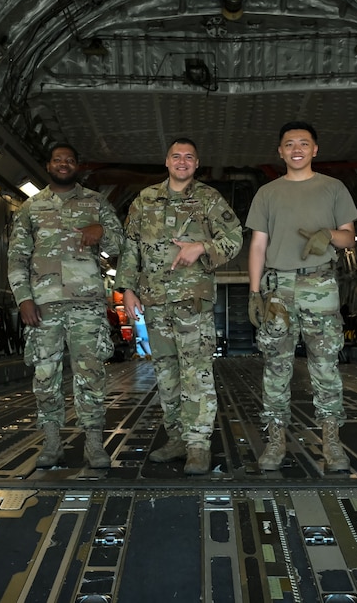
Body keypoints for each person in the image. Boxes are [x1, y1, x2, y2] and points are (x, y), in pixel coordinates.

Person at [115, 138, 243, 475]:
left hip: (192, 304)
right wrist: (126, 288)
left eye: (189, 157)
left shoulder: (208, 199)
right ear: (167, 161)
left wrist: (202, 247)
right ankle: (176, 439)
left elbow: (235, 237)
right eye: (176, 156)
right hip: (155, 303)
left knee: (196, 374)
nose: (182, 161)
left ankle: (198, 446)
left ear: (197, 163)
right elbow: (131, 247)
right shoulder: (144, 200)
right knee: (166, 375)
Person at [246, 121, 357, 472]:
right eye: (289, 144)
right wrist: (254, 291)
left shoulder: (334, 188)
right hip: (278, 287)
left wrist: (329, 234)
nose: (297, 149)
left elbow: (350, 238)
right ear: (280, 151)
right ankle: (276, 440)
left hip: (320, 285)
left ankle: (331, 442)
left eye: (304, 143)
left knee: (325, 365)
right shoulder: (267, 193)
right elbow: (258, 244)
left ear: (315, 150)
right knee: (276, 367)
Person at [7, 142, 124, 469]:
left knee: (90, 374)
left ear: (77, 166)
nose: (63, 164)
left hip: (86, 304)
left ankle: (94, 444)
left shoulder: (95, 202)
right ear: (49, 165)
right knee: (45, 375)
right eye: (58, 160)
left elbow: (119, 245)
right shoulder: (31, 208)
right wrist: (24, 298)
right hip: (43, 307)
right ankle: (52, 442)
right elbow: (16, 257)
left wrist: (101, 229)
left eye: (69, 160)